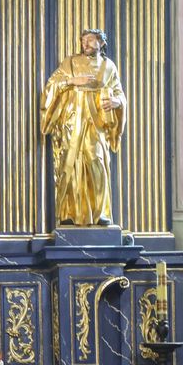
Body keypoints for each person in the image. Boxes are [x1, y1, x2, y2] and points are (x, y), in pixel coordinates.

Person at [40, 28, 127, 226]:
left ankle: (100, 213)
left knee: (97, 162)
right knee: (70, 164)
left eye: (90, 40)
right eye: (83, 40)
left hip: (96, 123)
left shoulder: (108, 66)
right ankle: (69, 213)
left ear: (101, 43)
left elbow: (119, 93)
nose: (85, 43)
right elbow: (52, 85)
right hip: (72, 120)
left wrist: (116, 102)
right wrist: (71, 81)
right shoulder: (70, 62)